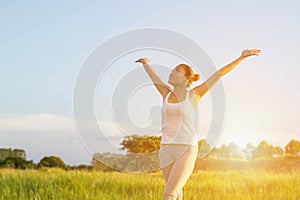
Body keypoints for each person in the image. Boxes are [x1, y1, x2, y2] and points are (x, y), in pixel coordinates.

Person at [136, 49, 261, 200]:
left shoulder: (194, 94)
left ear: (187, 79)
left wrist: (241, 58)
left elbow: (219, 74)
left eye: (177, 71)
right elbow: (154, 77)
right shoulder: (166, 93)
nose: (172, 73)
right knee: (176, 192)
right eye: (172, 70)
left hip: (186, 149)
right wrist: (145, 64)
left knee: (169, 194)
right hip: (166, 149)